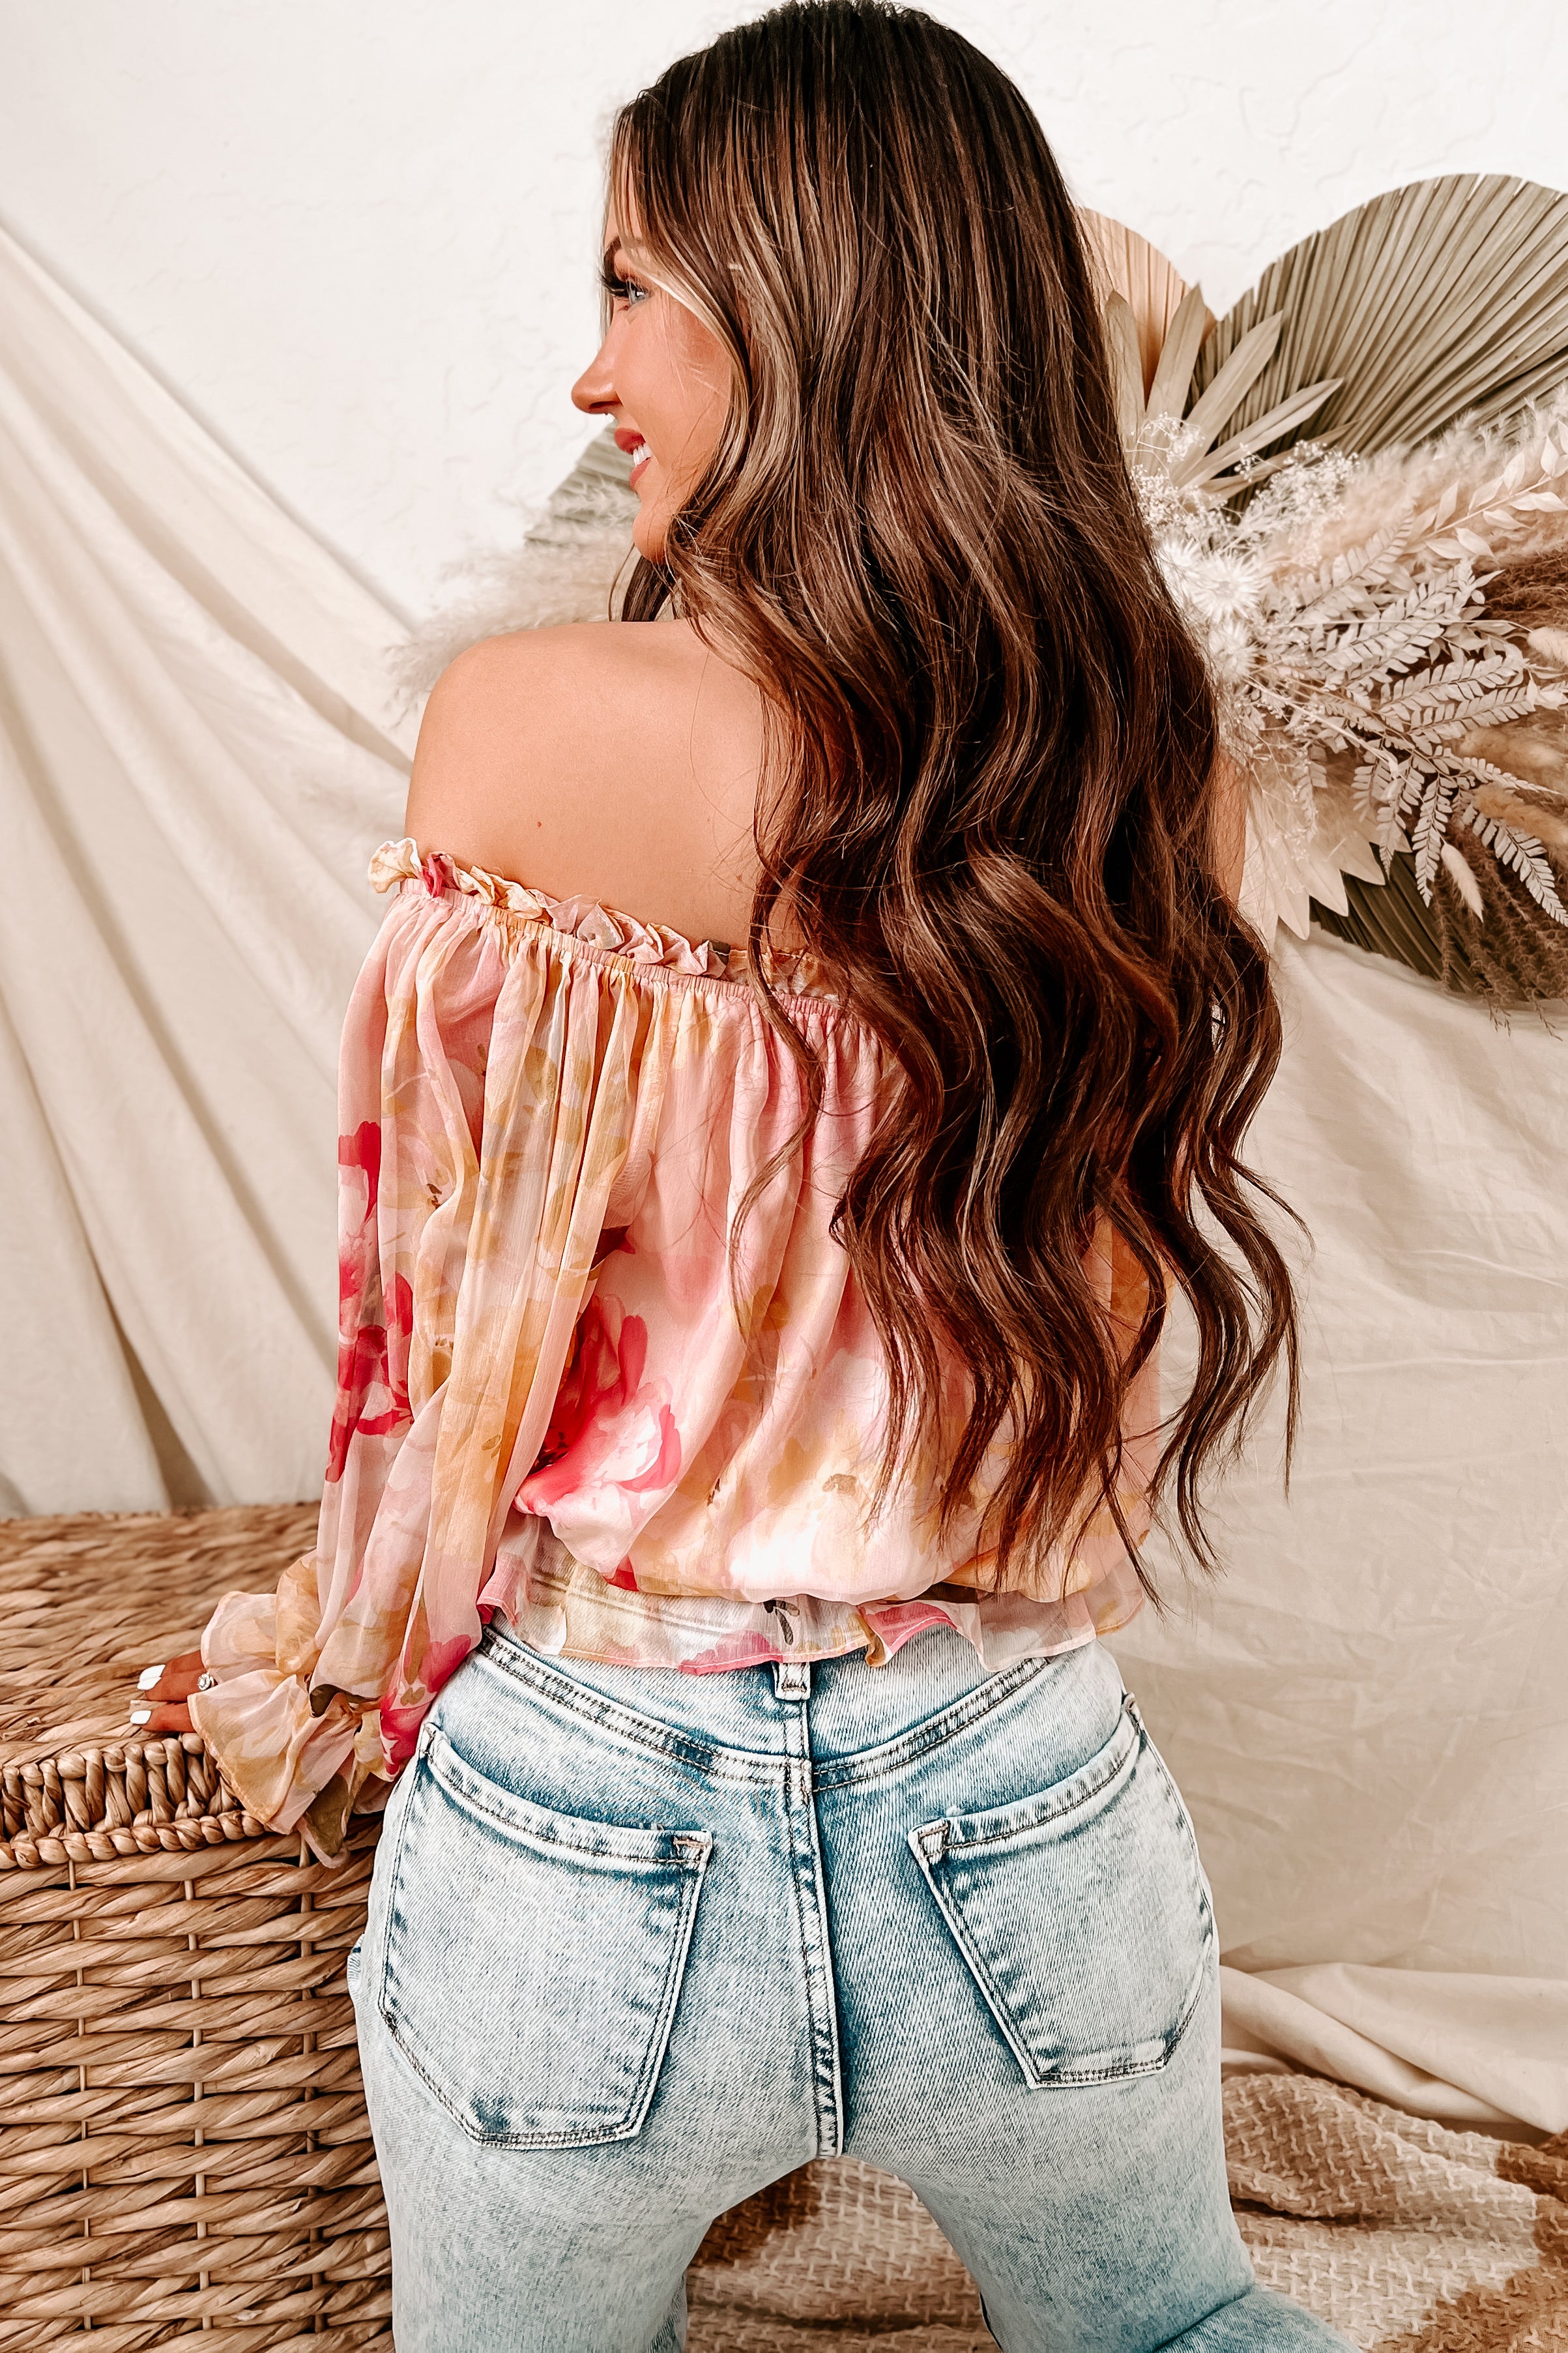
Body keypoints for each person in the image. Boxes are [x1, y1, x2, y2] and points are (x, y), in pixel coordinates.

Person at [189, 5, 1354, 2346]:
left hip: (591, 1819)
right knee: (1177, 2324)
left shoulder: (528, 727)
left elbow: (444, 1346)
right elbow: (1105, 1327)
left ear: (800, 307)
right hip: (1018, 1789)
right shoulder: (1148, 763)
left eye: (633, 288)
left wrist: (342, 1666)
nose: (593, 376)